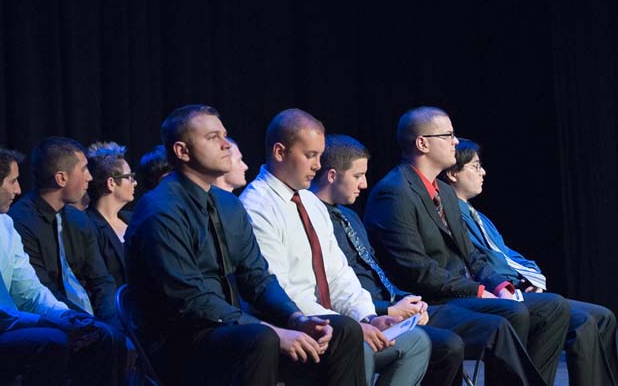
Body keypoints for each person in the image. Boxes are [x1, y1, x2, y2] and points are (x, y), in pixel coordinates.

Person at [126, 104, 367, 386]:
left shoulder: (227, 204)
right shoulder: (161, 210)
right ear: (182, 151)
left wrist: (296, 318)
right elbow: (189, 301)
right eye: (213, 137)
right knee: (260, 338)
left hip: (229, 331)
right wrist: (273, 331)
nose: (226, 144)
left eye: (225, 135)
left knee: (342, 330)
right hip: (181, 342)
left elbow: (257, 277)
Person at [364, 106, 570, 385]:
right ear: (422, 143)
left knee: (552, 307)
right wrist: (480, 291)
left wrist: (500, 287)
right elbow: (416, 270)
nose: (456, 142)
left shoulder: (445, 192)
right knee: (509, 313)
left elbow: (473, 256)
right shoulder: (395, 192)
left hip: (461, 293)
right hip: (430, 300)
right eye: (448, 135)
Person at [240, 109, 430, 386]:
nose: (318, 165)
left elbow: (338, 274)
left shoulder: (311, 203)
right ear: (280, 152)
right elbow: (280, 291)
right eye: (310, 155)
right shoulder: (256, 207)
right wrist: (353, 328)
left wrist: (367, 317)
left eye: (319, 155)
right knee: (356, 348)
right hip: (296, 327)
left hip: (340, 323)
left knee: (416, 342)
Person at [0, 140, 117, 385]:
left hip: (1, 329)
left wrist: (66, 316)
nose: (18, 190)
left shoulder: (2, 225)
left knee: (99, 335)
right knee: (51, 340)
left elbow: (29, 290)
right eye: (13, 181)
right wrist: (44, 321)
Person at [441, 138, 618, 386]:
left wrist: (531, 276)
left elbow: (507, 254)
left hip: (516, 287)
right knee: (583, 321)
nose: (483, 172)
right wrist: (514, 284)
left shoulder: (477, 216)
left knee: (604, 316)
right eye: (475, 166)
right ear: (452, 174)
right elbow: (482, 262)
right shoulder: (450, 214)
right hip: (493, 293)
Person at [9, 137, 117, 324]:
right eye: (84, 169)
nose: (90, 177)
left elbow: (101, 281)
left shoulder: (78, 219)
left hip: (92, 320)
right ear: (61, 178)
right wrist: (89, 325)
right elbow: (42, 291)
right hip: (53, 320)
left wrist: (111, 325)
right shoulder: (20, 223)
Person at [85, 141, 137, 288]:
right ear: (111, 183)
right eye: (130, 177)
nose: (135, 182)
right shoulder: (89, 225)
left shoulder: (133, 220)